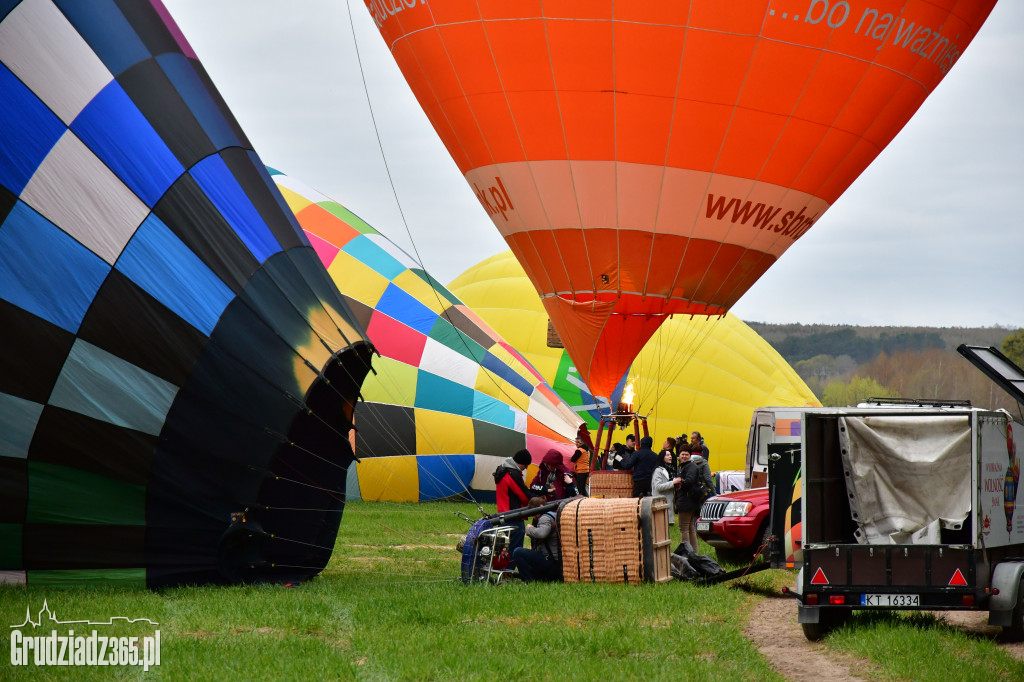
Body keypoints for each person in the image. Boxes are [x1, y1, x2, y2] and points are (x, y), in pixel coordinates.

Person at [493, 449, 546, 562]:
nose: (526, 468)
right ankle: (509, 572)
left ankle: (503, 568)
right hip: (513, 515)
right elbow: (523, 495)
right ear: (521, 463)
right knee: (514, 548)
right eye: (526, 465)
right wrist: (539, 499)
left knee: (507, 546)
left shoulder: (502, 471)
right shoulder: (513, 474)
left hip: (503, 513)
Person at [511, 508, 562, 582]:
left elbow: (542, 534)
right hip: (558, 565)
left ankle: (528, 581)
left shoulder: (545, 518)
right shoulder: (555, 515)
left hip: (551, 563)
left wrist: (529, 529)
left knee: (518, 552)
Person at [674, 446, 701, 550]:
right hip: (689, 500)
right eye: (682, 454)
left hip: (686, 500)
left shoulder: (691, 467)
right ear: (679, 455)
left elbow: (689, 481)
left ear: (690, 456)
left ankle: (686, 553)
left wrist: (678, 482)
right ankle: (694, 553)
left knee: (684, 528)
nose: (684, 456)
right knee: (690, 528)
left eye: (687, 454)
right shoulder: (683, 466)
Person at [651, 448, 681, 527]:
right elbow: (658, 487)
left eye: (670, 455)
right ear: (662, 457)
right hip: (660, 502)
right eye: (667, 455)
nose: (670, 456)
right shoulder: (658, 471)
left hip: (668, 502)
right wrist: (673, 483)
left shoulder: (671, 469)